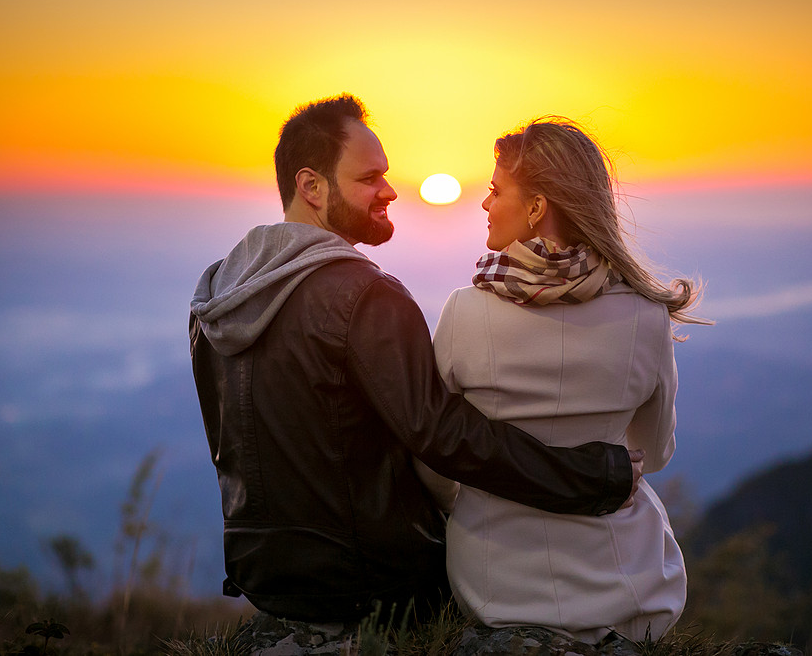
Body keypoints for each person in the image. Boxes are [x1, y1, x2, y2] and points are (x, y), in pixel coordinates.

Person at [188, 95, 643, 623]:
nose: (391, 190)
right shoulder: (365, 296)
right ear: (311, 187)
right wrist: (592, 475)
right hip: (373, 583)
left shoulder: (217, 295)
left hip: (262, 573)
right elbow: (445, 438)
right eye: (369, 178)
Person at [433, 117, 708, 643]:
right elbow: (653, 451)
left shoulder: (464, 313)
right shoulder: (646, 316)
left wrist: (468, 504)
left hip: (495, 584)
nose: (485, 204)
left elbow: (433, 454)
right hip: (628, 588)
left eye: (494, 190)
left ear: (536, 208)